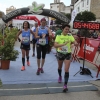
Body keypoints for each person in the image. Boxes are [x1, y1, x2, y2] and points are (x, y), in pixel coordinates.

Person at [54, 24, 76, 92]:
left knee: (66, 70)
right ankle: (60, 76)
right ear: (62, 29)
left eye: (68, 29)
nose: (67, 30)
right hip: (60, 53)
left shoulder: (70, 36)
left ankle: (65, 85)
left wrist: (74, 43)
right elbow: (55, 45)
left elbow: (75, 42)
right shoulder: (58, 36)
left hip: (67, 54)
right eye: (66, 29)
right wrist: (63, 44)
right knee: (60, 67)